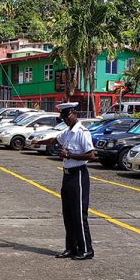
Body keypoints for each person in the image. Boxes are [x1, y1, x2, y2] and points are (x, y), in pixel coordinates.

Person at [31, 103, 97, 260]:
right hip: (67, 175)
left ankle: (86, 250)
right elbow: (55, 140)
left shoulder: (82, 132)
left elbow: (92, 155)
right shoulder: (67, 132)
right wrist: (37, 142)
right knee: (68, 214)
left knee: (79, 215)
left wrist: (69, 156)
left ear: (74, 113)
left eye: (67, 117)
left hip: (78, 175)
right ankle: (71, 248)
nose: (65, 120)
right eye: (63, 118)